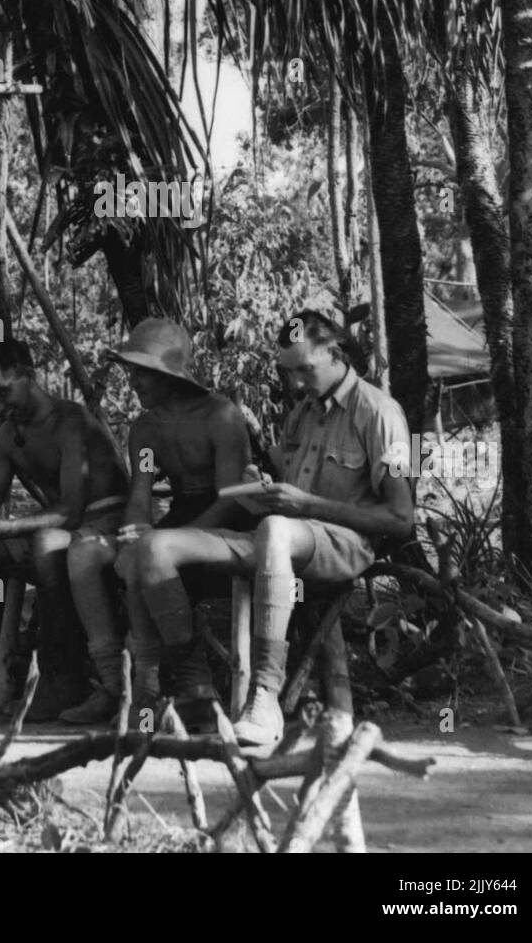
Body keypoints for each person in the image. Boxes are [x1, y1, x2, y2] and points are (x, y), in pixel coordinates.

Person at [123, 304, 414, 746]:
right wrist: (257, 487)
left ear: (336, 353)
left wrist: (307, 504)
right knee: (154, 549)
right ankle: (194, 685)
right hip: (279, 536)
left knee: (277, 530)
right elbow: (279, 483)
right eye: (289, 373)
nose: (295, 383)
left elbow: (400, 519)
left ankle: (265, 695)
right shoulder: (303, 413)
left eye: (304, 370)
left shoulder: (378, 412)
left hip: (342, 546)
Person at [63, 317, 255, 727]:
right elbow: (141, 493)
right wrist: (135, 529)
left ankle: (168, 684)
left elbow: (232, 499)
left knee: (151, 555)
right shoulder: (146, 430)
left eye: (141, 373)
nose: (132, 382)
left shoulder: (220, 417)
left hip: (225, 522)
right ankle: (130, 685)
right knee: (116, 552)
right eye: (130, 371)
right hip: (182, 519)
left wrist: (176, 539)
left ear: (167, 374)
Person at [0, 339, 129, 715]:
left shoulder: (71, 421)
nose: (0, 406)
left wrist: (2, 529)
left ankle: (62, 678)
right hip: (62, 526)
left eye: (4, 393)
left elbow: (71, 510)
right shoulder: (9, 436)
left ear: (27, 375)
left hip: (105, 522)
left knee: (46, 545)